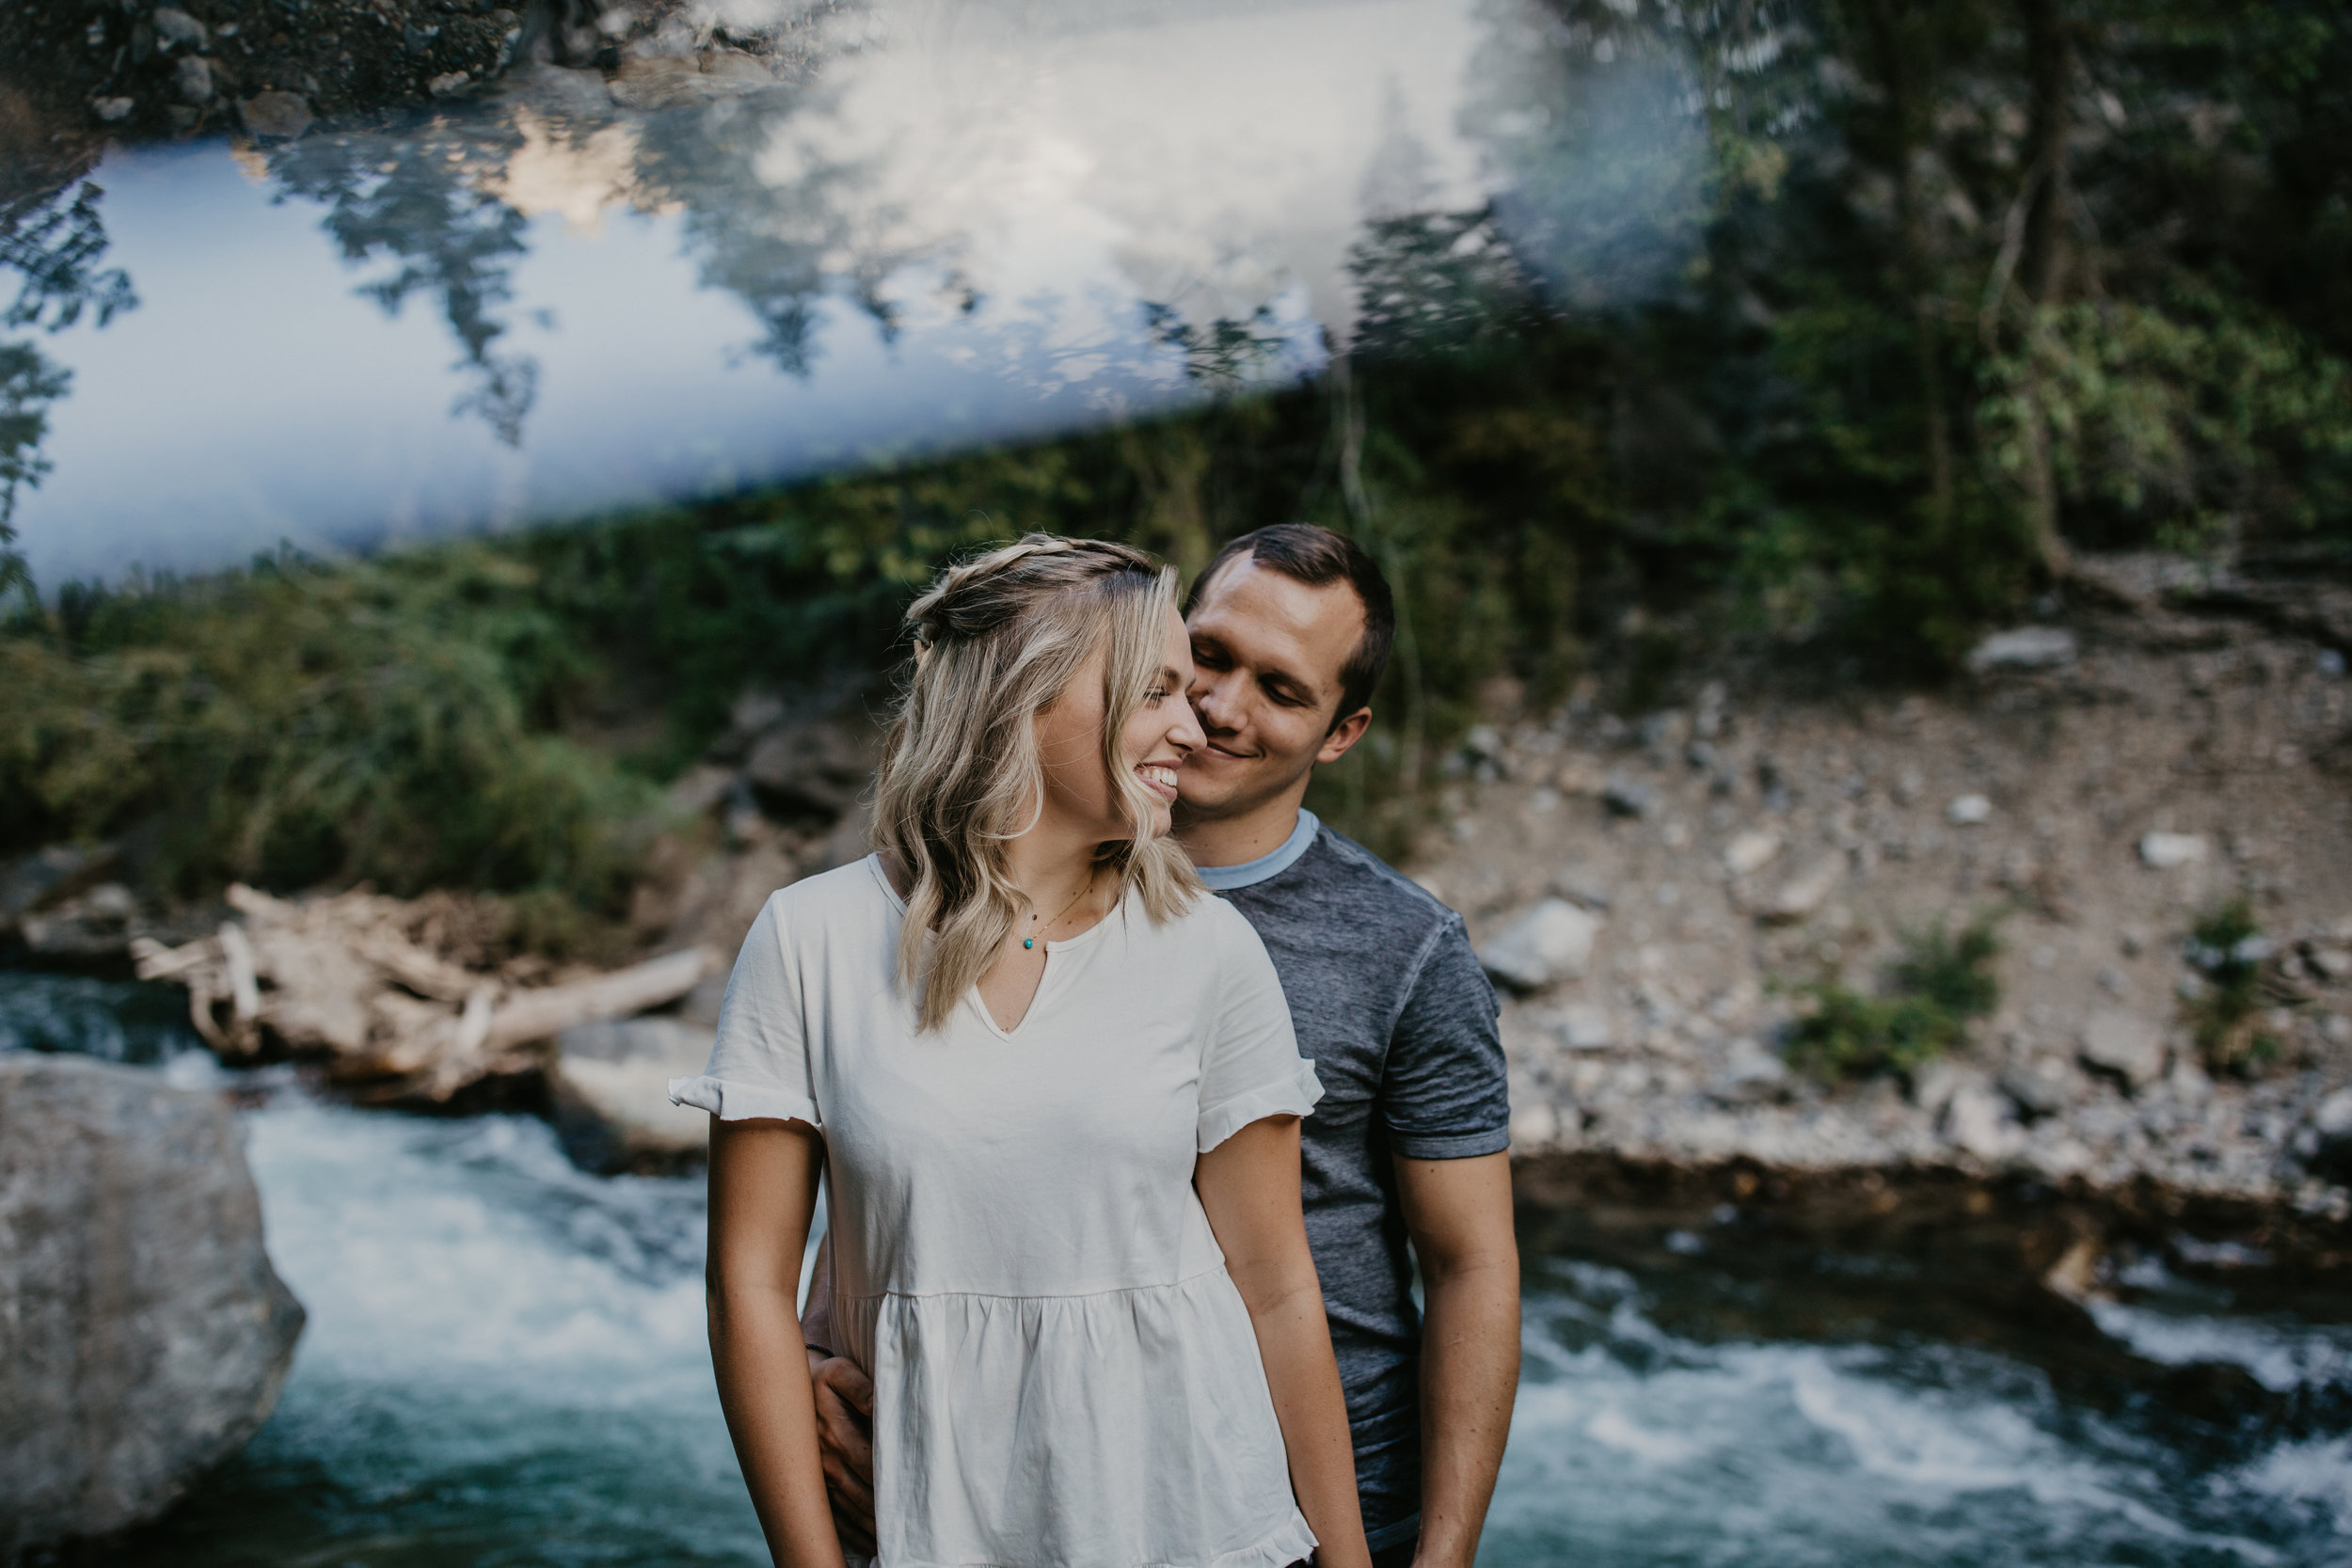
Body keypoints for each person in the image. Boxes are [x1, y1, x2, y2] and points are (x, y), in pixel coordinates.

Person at [806, 525, 1518, 1568]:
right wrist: (813, 1363)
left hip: (1317, 1501)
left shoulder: (1401, 948)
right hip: (999, 1488)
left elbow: (1470, 1263)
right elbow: (900, 1168)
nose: (1222, 708)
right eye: (1212, 656)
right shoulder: (947, 902)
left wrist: (1438, 1555)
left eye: (1280, 689)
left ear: (1341, 731)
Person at [674, 534, 1373, 1568]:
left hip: (1196, 1522)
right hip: (925, 1527)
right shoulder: (807, 938)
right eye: (1155, 691)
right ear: (1025, 698)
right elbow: (748, 1288)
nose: (1194, 725)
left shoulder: (1209, 950)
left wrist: (1347, 1561)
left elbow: (1275, 1286)